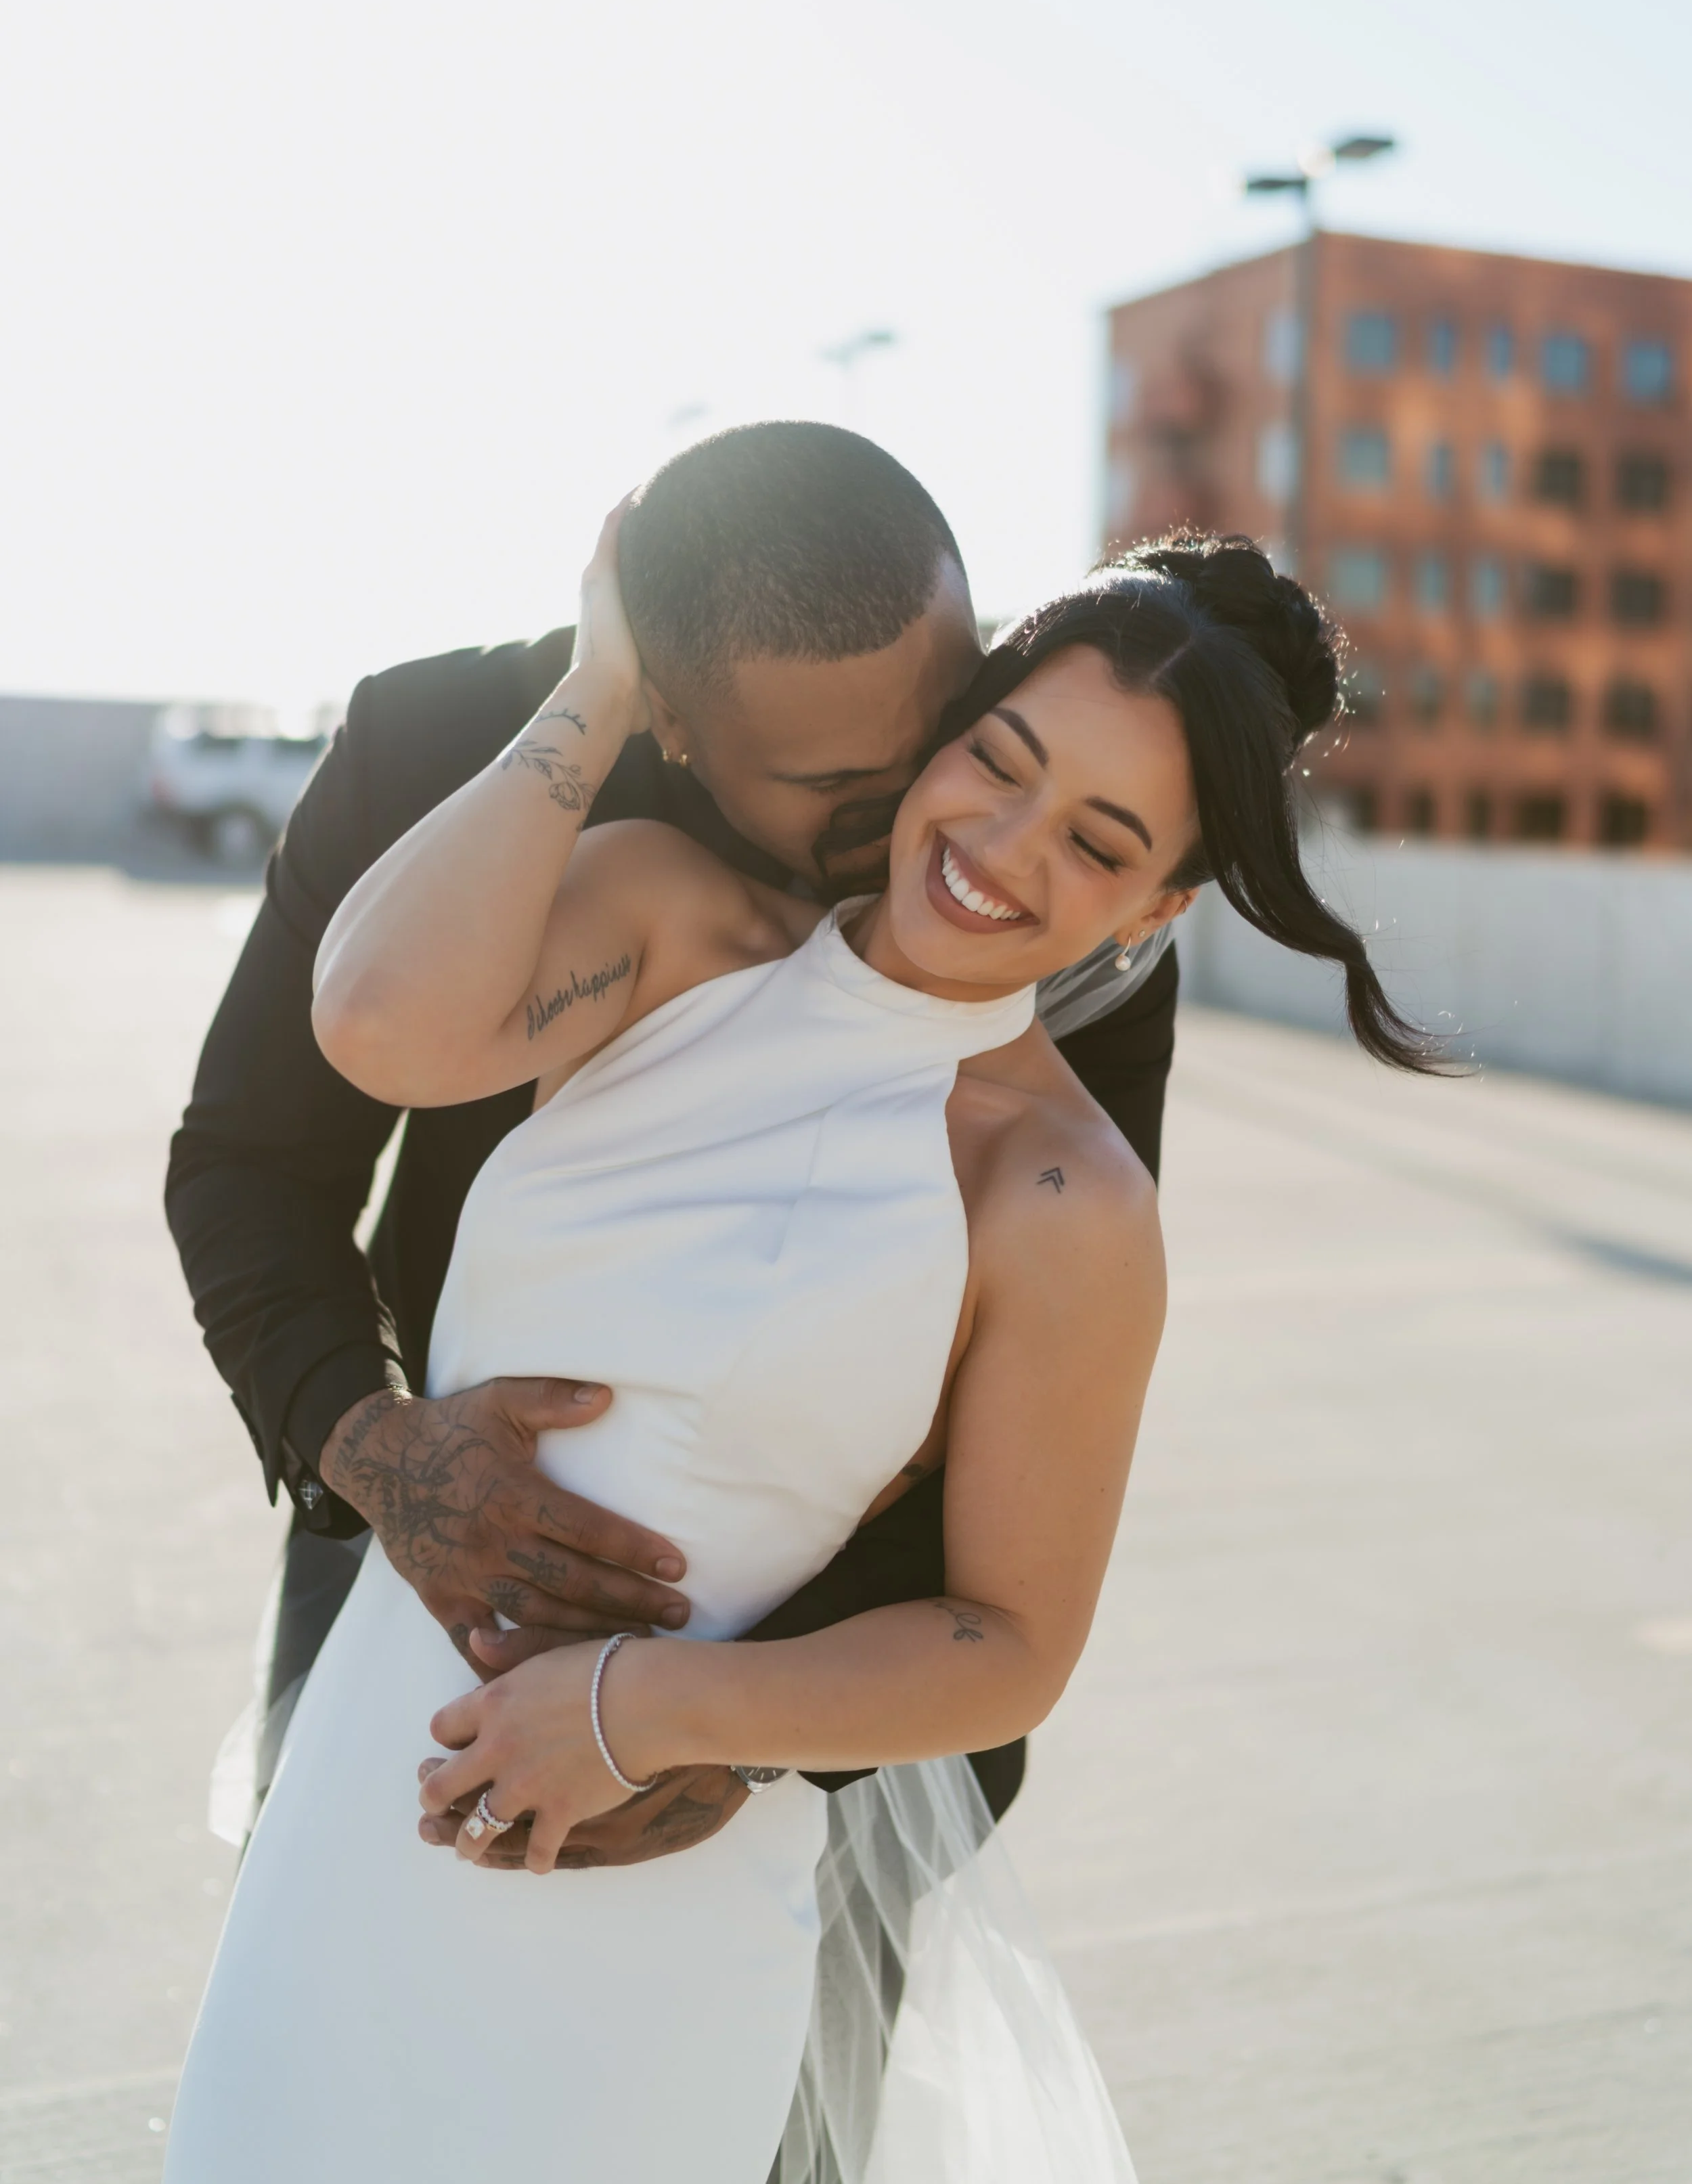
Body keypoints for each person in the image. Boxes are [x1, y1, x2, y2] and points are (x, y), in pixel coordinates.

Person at [162, 499, 1429, 2183]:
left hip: (679, 1834)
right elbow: (368, 1042)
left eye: (1103, 841)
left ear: (1162, 904)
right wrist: (601, 685)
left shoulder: (1060, 1191)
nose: (1004, 846)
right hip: (368, 1787)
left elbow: (1011, 1633)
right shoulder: (666, 915)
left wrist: (662, 1719)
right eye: (996, 761)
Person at [166, 422, 1182, 1855]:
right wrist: (377, 1448)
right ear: (679, 724)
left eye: (944, 722)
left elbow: (1023, 1391)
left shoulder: (1042, 879)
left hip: (836, 1703)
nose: (926, 818)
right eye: (838, 790)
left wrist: (715, 1726)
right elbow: (252, 1159)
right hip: (410, 1560)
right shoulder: (433, 744)